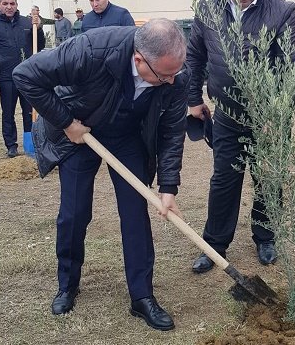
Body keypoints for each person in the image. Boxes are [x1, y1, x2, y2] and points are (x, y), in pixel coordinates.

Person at [12, 18, 188, 330]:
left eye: (175, 73)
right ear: (139, 60)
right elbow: (25, 75)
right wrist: (67, 122)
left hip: (127, 136)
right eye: (164, 76)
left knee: (135, 213)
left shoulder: (175, 73)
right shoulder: (90, 50)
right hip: (81, 130)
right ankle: (67, 284)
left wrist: (168, 186)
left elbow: (172, 130)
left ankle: (142, 296)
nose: (172, 81)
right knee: (75, 212)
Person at [187, 0, 295, 273]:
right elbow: (194, 56)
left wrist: (276, 114)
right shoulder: (208, 8)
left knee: (268, 179)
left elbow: (294, 68)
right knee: (224, 180)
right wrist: (194, 98)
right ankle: (214, 244)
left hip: (268, 119)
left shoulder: (283, 11)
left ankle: (265, 236)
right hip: (226, 115)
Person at [0, 0, 45, 158]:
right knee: (8, 112)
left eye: (12, 4)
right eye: (5, 4)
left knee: (30, 111)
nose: (9, 7)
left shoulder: (27, 23)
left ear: (17, 5)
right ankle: (11, 145)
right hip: (6, 76)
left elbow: (39, 44)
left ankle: (31, 143)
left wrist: (39, 28)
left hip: (27, 76)